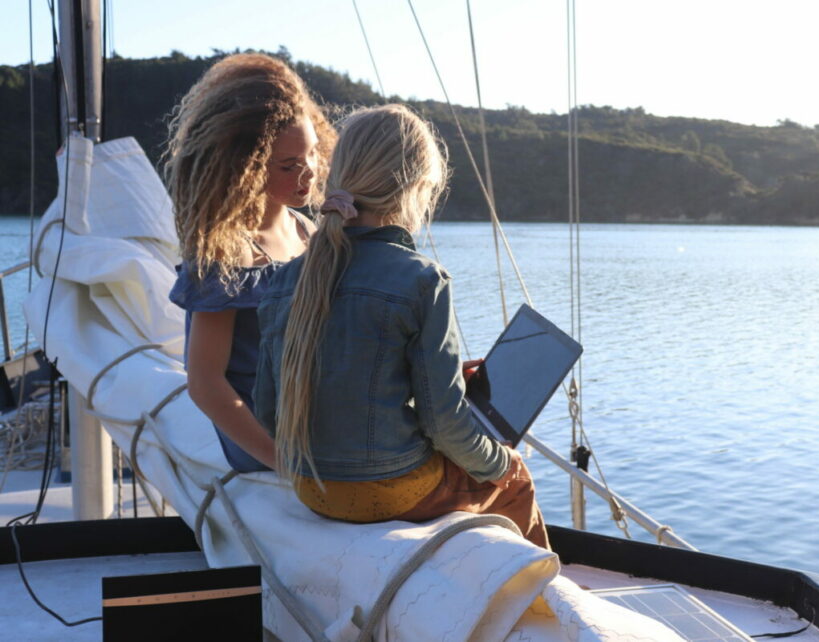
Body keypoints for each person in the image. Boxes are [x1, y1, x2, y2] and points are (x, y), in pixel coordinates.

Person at [253, 104, 548, 548]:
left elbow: (266, 410)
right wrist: (500, 464)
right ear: (416, 190)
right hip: (388, 489)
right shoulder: (422, 280)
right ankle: (544, 605)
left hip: (311, 488)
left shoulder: (284, 280)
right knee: (517, 481)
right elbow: (443, 423)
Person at [166, 53, 336, 472]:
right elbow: (205, 384)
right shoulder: (227, 254)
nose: (310, 172)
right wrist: (281, 460)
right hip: (263, 437)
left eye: (312, 154)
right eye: (289, 165)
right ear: (247, 166)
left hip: (313, 416)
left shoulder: (307, 233)